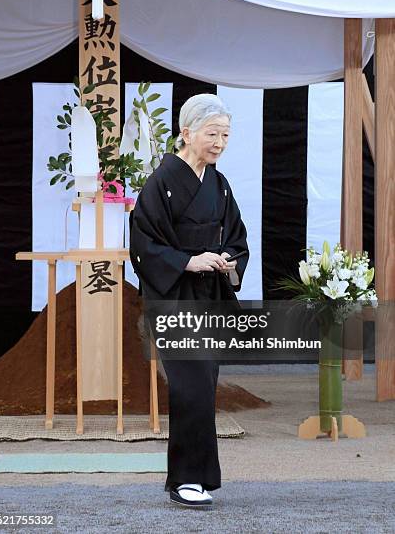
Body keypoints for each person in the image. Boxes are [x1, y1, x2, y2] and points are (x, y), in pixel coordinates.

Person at [130, 93, 249, 507]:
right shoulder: (161, 183)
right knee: (191, 387)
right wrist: (188, 261)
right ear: (186, 133)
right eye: (212, 133)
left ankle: (197, 479)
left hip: (209, 297)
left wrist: (227, 260)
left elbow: (237, 237)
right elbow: (144, 245)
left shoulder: (219, 183)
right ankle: (184, 480)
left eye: (226, 135)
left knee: (204, 386)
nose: (219, 142)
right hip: (174, 296)